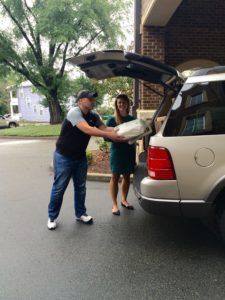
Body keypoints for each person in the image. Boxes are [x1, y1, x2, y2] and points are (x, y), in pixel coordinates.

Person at [47, 90, 124, 230]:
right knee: (59, 188)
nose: (92, 101)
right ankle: (52, 217)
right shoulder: (74, 113)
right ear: (81, 101)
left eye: (93, 99)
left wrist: (122, 130)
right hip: (64, 156)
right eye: (89, 99)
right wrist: (110, 136)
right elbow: (88, 130)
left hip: (80, 157)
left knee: (80, 188)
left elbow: (105, 128)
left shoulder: (94, 116)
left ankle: (81, 214)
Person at [106, 94, 136, 216]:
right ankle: (114, 204)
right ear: (116, 104)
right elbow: (105, 136)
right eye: (119, 103)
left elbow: (136, 134)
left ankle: (124, 200)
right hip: (117, 151)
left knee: (127, 176)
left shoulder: (132, 119)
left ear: (127, 104)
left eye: (124, 102)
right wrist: (117, 139)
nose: (121, 105)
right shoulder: (112, 119)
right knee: (115, 177)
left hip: (129, 151)